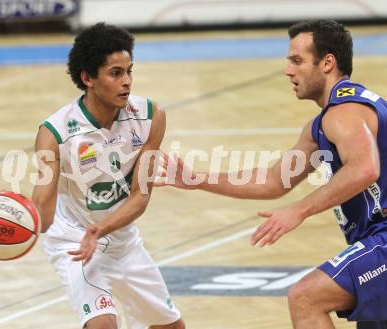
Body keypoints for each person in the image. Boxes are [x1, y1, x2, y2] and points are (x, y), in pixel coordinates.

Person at [156, 20, 387, 329]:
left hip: (382, 239)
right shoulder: (324, 123)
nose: (288, 71)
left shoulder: (343, 111)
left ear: (328, 62)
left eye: (297, 61)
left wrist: (299, 210)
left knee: (306, 298)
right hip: (375, 239)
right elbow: (274, 180)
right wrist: (198, 179)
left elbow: (365, 168)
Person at [31, 23, 185, 329]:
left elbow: (141, 196)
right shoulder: (55, 133)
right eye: (116, 73)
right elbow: (43, 217)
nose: (127, 82)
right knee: (102, 324)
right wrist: (7, 210)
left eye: (129, 71)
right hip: (74, 241)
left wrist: (101, 229)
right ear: (88, 78)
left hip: (120, 239)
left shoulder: (151, 116)